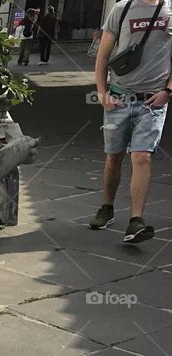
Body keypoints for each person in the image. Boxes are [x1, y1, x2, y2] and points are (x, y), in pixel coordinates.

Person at [89, 0, 172, 243]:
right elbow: (103, 55)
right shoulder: (121, 9)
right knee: (113, 155)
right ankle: (107, 206)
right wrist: (102, 92)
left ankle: (136, 221)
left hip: (153, 102)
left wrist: (168, 91)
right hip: (119, 98)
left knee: (141, 156)